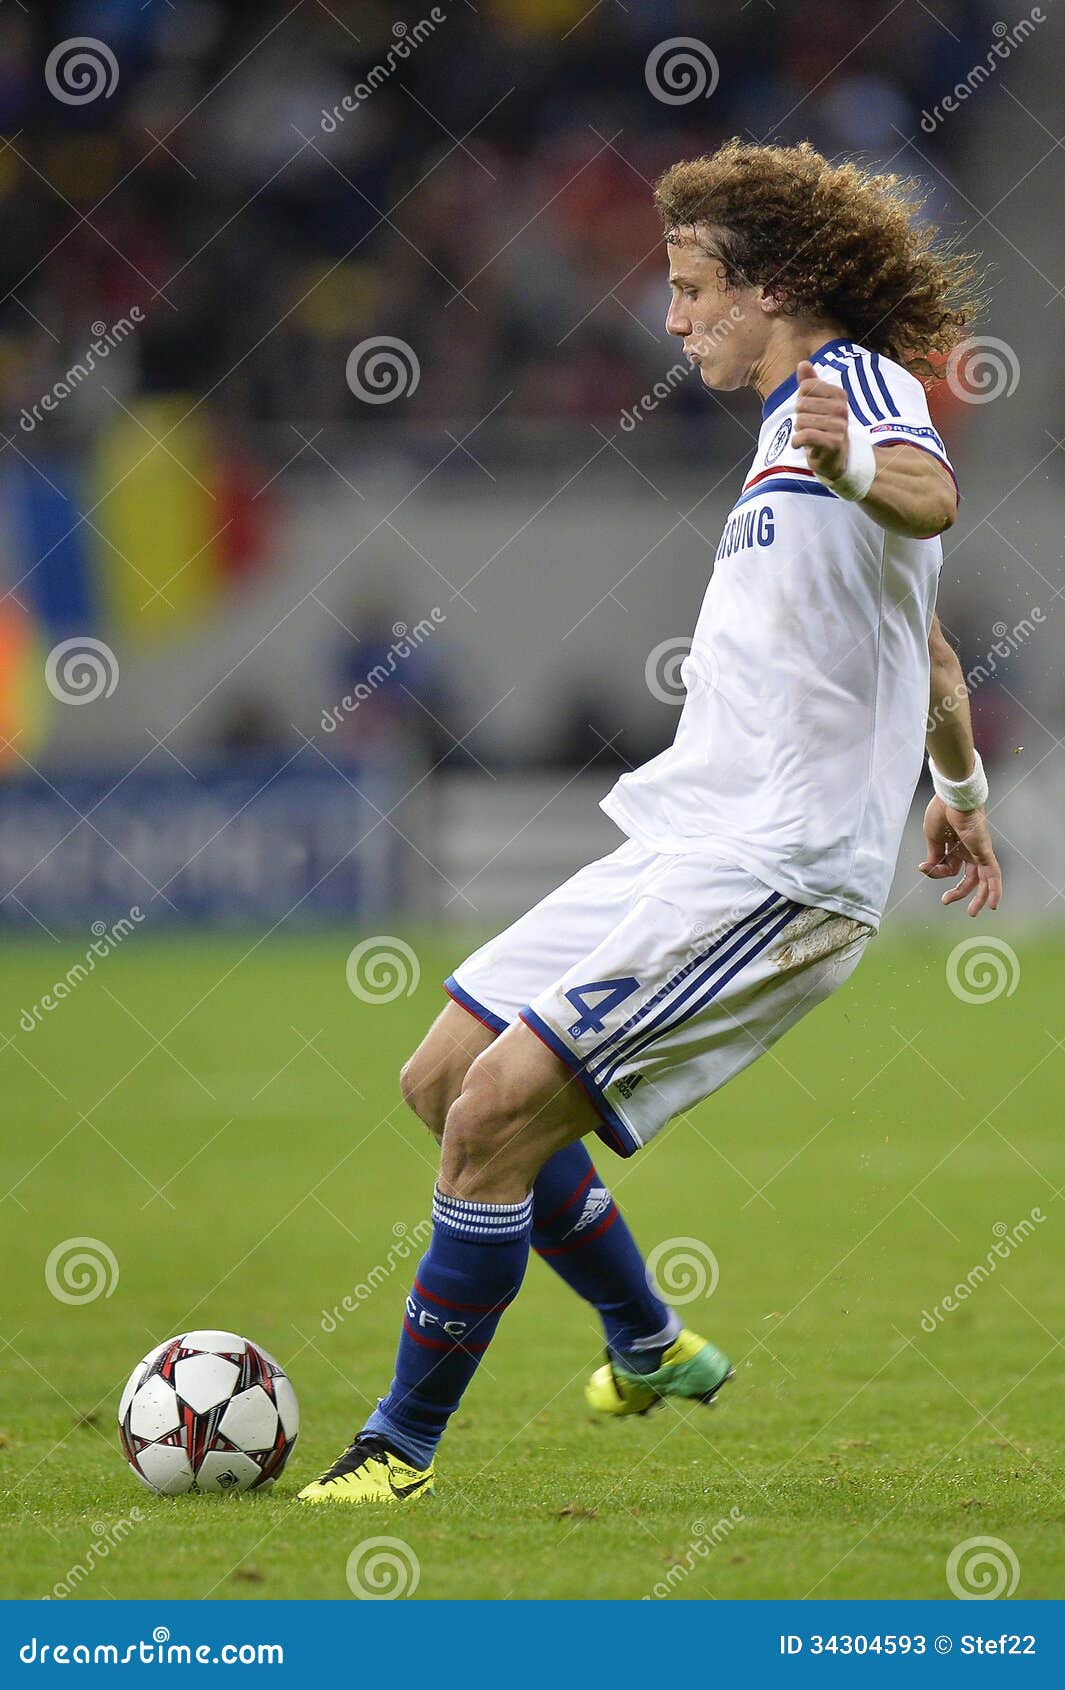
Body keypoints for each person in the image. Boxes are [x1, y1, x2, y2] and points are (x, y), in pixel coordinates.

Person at [298, 139, 1002, 1504]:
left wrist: (855, 459)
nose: (672, 320)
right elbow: (922, 652)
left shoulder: (848, 389)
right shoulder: (779, 432)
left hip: (774, 867)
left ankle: (395, 1450)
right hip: (688, 836)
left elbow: (929, 485)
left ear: (777, 286)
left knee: (495, 1117)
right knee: (442, 1077)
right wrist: (964, 795)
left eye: (691, 290)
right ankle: (649, 1339)